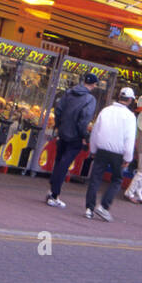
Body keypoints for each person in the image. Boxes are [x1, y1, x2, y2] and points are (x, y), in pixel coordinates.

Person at [84, 86, 138, 220]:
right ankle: (104, 206)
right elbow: (130, 138)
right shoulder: (130, 116)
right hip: (118, 153)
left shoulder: (106, 110)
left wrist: (93, 149)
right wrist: (128, 157)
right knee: (117, 179)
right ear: (130, 100)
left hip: (101, 150)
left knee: (95, 178)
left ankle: (89, 209)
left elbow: (96, 131)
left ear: (119, 96)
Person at [46, 73, 98, 208]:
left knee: (59, 161)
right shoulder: (90, 99)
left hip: (63, 132)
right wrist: (85, 136)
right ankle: (54, 195)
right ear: (93, 85)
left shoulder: (69, 93)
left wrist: (59, 126)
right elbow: (84, 120)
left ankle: (52, 190)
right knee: (64, 164)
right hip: (75, 136)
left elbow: (58, 110)